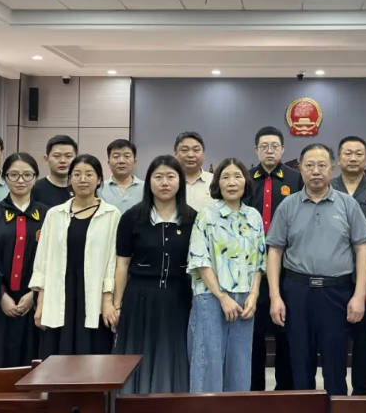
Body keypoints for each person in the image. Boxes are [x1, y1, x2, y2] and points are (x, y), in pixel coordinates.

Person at [266, 143, 366, 396]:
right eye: (310, 165)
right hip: (297, 292)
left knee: (336, 367)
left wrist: (359, 295)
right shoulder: (288, 205)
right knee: (300, 364)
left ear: (331, 168)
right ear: (300, 168)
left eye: (322, 165)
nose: (316, 171)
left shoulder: (347, 204)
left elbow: (362, 250)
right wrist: (275, 296)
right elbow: (274, 252)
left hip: (336, 293)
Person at [112, 155, 197, 393]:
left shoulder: (192, 218)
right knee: (136, 352)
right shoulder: (132, 217)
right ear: (149, 181)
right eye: (158, 177)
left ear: (180, 181)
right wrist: (117, 304)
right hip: (139, 298)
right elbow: (122, 264)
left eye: (171, 177)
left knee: (173, 353)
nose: (164, 183)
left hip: (178, 297)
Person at [188, 158, 266, 392]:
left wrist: (254, 295)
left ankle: (236, 407)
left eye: (237, 176)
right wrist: (222, 297)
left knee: (240, 364)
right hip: (211, 297)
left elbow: (259, 261)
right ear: (217, 183)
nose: (232, 182)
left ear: (246, 182)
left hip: (244, 300)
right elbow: (200, 260)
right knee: (208, 364)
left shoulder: (254, 216)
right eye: (225, 177)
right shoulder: (206, 215)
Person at [30, 154, 120, 357]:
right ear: (70, 179)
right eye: (77, 174)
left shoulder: (111, 214)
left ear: (99, 179)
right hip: (59, 291)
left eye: (89, 174)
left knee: (92, 355)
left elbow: (112, 262)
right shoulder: (55, 214)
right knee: (56, 354)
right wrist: (41, 303)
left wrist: (108, 300)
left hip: (93, 293)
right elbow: (43, 260)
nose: (83, 179)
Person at [0, 152, 48, 367]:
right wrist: (1, 296)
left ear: (35, 178)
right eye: (14, 175)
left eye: (27, 175)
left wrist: (34, 294)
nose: (20, 180)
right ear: (5, 178)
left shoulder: (49, 216)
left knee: (33, 365)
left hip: (34, 303)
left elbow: (54, 261)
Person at [245, 126, 299, 391]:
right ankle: (254, 391)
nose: (269, 151)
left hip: (287, 268)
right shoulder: (245, 178)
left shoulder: (296, 179)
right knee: (253, 334)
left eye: (274, 146)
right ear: (256, 150)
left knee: (285, 332)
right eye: (264, 146)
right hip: (252, 269)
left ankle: (284, 391)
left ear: (283, 149)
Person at [330, 135, 366, 395]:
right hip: (333, 277)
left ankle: (363, 397)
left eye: (358, 153)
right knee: (334, 341)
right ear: (339, 159)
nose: (353, 158)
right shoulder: (327, 187)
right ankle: (336, 394)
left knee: (365, 342)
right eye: (348, 153)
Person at [99, 139, 144, 214]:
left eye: (127, 156)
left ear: (134, 162)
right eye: (116, 157)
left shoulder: (146, 188)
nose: (121, 161)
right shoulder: (99, 188)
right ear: (109, 162)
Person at [32, 135, 77, 208]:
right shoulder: (35, 188)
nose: (62, 161)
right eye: (57, 156)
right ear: (46, 158)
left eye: (68, 156)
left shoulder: (82, 187)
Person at [174, 131, 214, 212]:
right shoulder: (167, 183)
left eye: (196, 150)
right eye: (184, 150)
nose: (190, 155)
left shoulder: (215, 181)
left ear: (203, 154)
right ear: (175, 154)